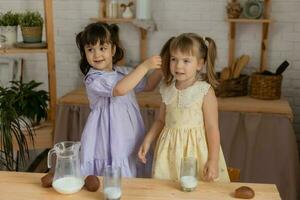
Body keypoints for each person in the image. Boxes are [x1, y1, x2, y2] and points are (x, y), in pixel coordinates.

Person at [138, 33, 230, 182]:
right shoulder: (167, 89)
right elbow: (161, 120)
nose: (178, 65)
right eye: (174, 59)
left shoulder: (204, 91)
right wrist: (148, 140)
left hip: (195, 155)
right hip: (169, 153)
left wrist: (213, 160)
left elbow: (212, 128)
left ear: (200, 64)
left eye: (186, 60)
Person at [76, 22, 162, 177]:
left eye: (102, 48)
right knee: (111, 168)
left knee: (130, 162)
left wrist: (162, 68)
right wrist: (145, 66)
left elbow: (149, 85)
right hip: (105, 135)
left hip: (128, 131)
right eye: (90, 50)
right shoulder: (93, 78)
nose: (97, 55)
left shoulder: (124, 73)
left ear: (113, 50)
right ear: (85, 53)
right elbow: (119, 89)